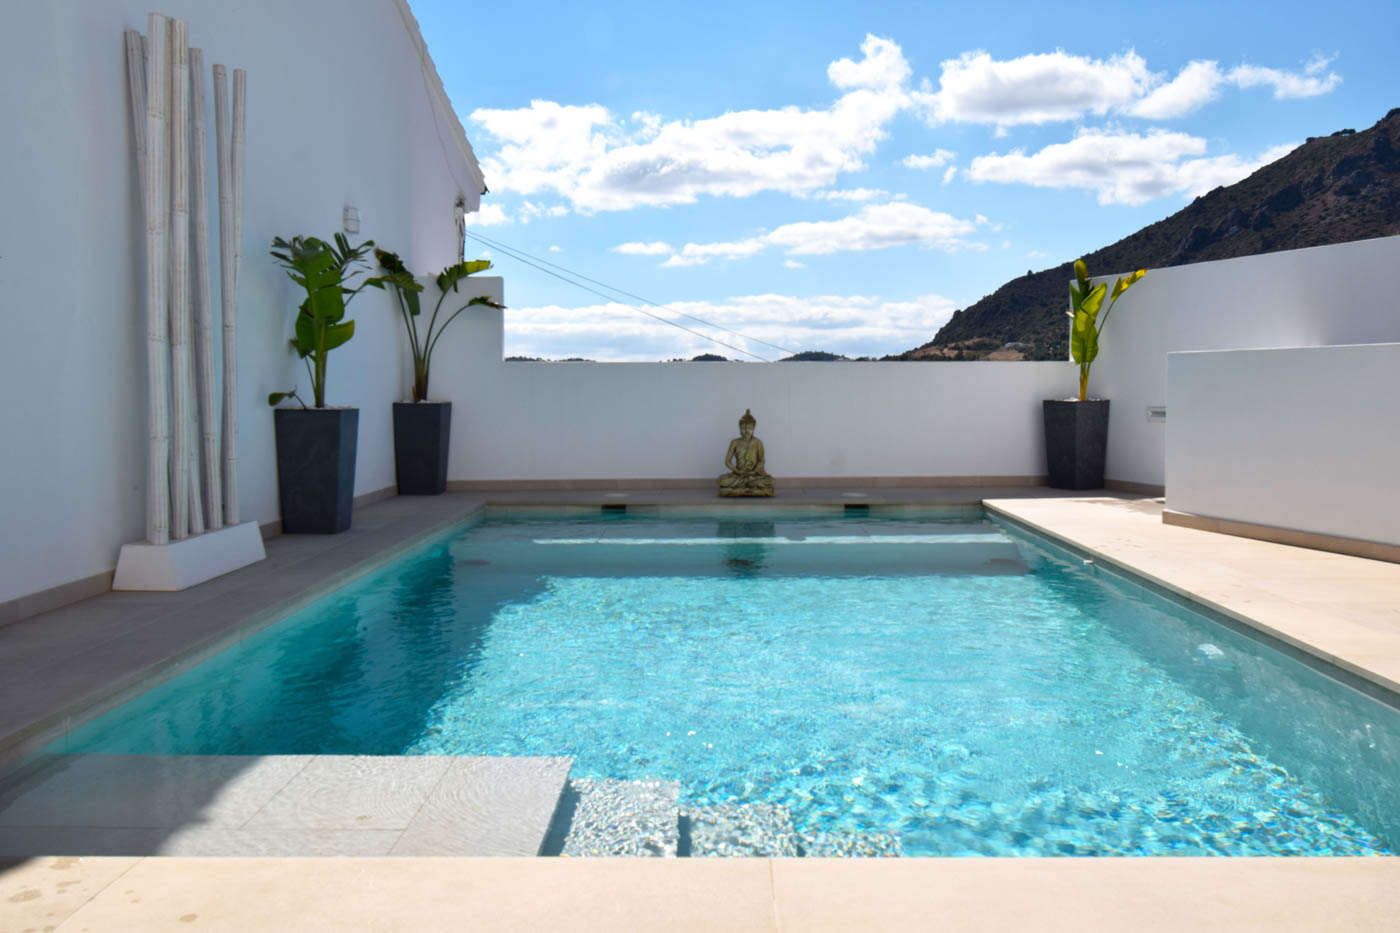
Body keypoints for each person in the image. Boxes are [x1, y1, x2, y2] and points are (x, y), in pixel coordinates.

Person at [717, 409, 774, 497]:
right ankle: (752, 489)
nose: (747, 431)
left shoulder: (758, 442)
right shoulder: (734, 442)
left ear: (754, 429)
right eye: (744, 428)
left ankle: (740, 489)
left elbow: (761, 461)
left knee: (770, 481)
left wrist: (754, 471)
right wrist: (737, 471)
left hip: (753, 475)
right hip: (738, 474)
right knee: (721, 480)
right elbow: (727, 461)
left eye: (750, 428)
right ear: (739, 428)